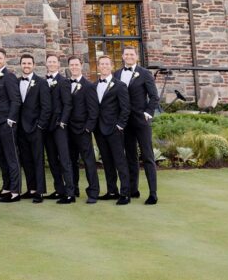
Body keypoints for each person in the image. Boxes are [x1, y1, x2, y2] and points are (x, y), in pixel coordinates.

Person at [117, 47, 160, 205]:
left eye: (131, 54)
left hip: (141, 121)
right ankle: (132, 190)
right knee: (130, 157)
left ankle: (153, 194)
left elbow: (154, 96)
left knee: (147, 157)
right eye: (126, 54)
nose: (128, 56)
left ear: (136, 57)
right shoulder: (117, 74)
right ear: (123, 56)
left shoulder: (144, 73)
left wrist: (148, 113)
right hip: (125, 123)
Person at [94, 55, 131, 205]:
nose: (103, 66)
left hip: (114, 130)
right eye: (101, 64)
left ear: (111, 66)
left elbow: (126, 108)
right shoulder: (94, 85)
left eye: (106, 64)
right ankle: (111, 191)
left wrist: (119, 126)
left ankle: (125, 193)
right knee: (107, 162)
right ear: (98, 66)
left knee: (120, 162)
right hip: (99, 130)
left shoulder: (120, 85)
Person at [16, 53, 51, 203]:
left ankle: (40, 191)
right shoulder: (17, 82)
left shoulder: (41, 83)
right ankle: (31, 189)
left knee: (37, 159)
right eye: (24, 63)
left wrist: (40, 125)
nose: (26, 66)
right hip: (20, 129)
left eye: (29, 63)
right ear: (21, 65)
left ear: (34, 65)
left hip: (36, 128)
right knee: (26, 160)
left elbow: (46, 107)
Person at [65, 55, 99, 204]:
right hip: (68, 130)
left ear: (81, 66)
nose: (74, 67)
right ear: (68, 67)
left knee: (88, 162)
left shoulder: (89, 86)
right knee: (71, 161)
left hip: (83, 130)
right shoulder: (66, 84)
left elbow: (93, 111)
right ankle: (74, 189)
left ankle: (93, 192)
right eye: (71, 65)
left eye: (76, 65)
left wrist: (88, 129)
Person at [0, 48, 21, 202]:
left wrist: (10, 120)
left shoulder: (9, 77)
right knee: (2, 157)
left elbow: (16, 100)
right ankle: (6, 187)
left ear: (5, 59)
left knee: (11, 157)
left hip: (6, 123)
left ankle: (15, 191)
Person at [42, 53, 73, 201]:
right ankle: (59, 189)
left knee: (64, 160)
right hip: (47, 127)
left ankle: (70, 193)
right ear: (46, 64)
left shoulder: (64, 81)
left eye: (54, 62)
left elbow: (68, 104)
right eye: (50, 62)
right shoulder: (43, 82)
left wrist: (62, 122)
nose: (52, 64)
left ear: (58, 65)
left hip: (59, 126)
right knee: (53, 160)